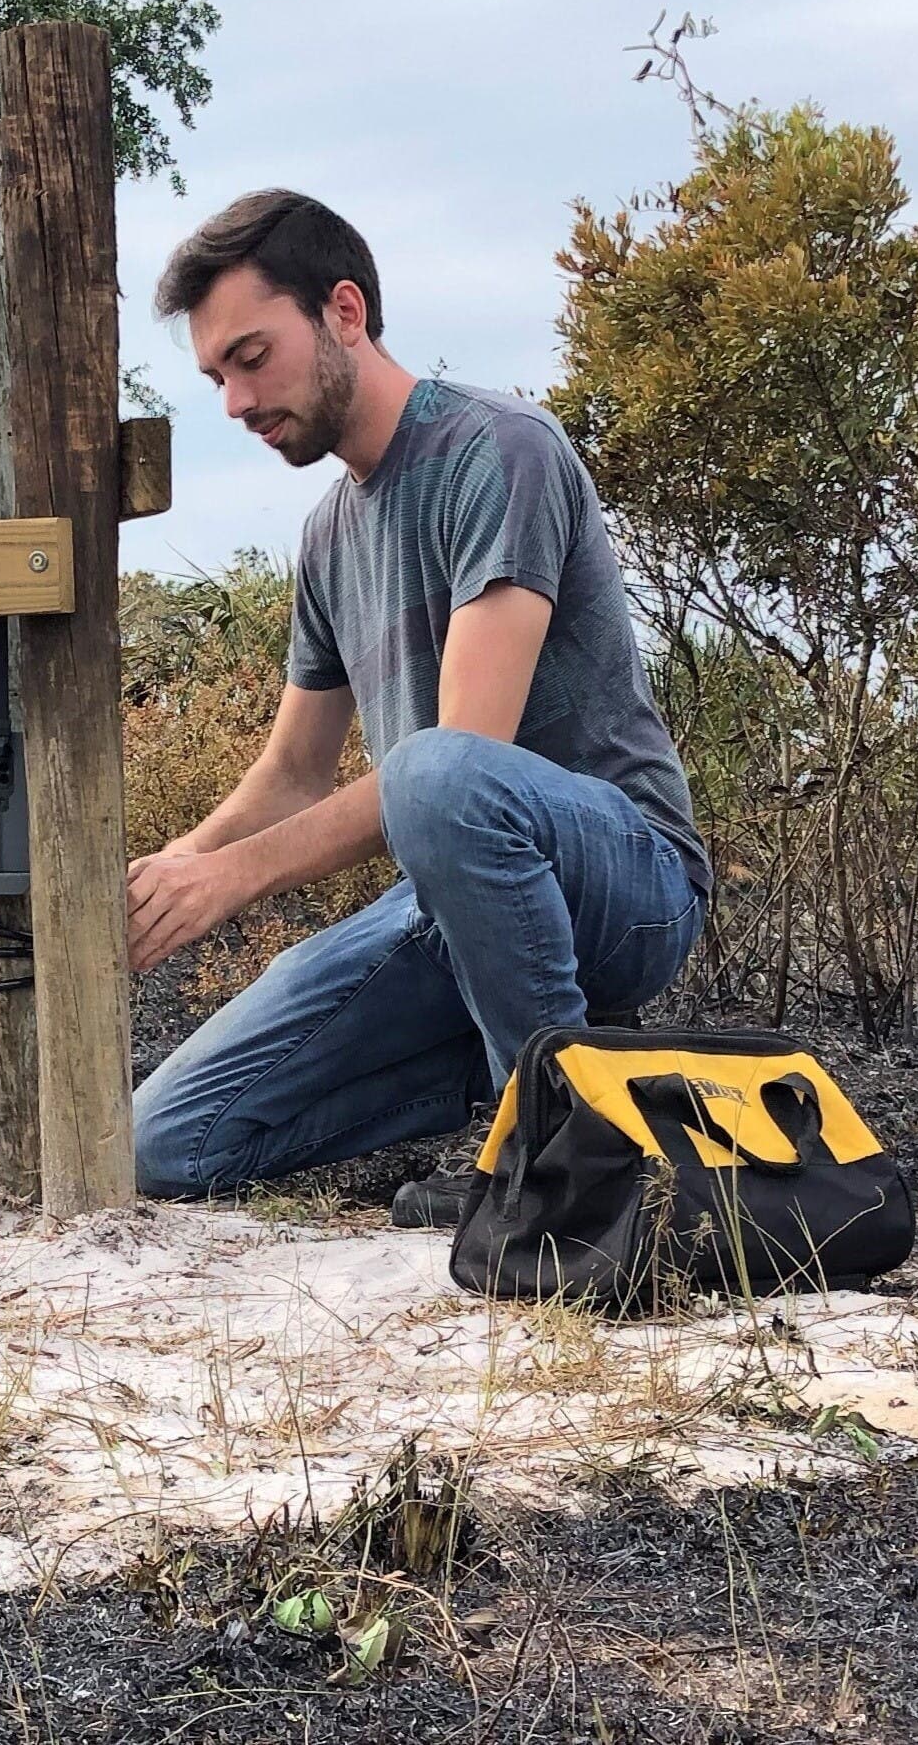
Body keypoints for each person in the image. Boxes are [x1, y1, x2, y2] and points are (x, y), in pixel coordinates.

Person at [129, 189, 711, 1226]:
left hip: (626, 879)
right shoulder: (325, 535)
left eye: (252, 357)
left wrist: (233, 879)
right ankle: (570, 1079)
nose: (234, 401)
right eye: (217, 375)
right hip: (450, 907)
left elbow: (462, 756)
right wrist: (178, 867)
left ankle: (563, 1158)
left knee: (440, 773)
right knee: (165, 1141)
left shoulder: (501, 449)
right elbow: (292, 771)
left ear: (343, 311)